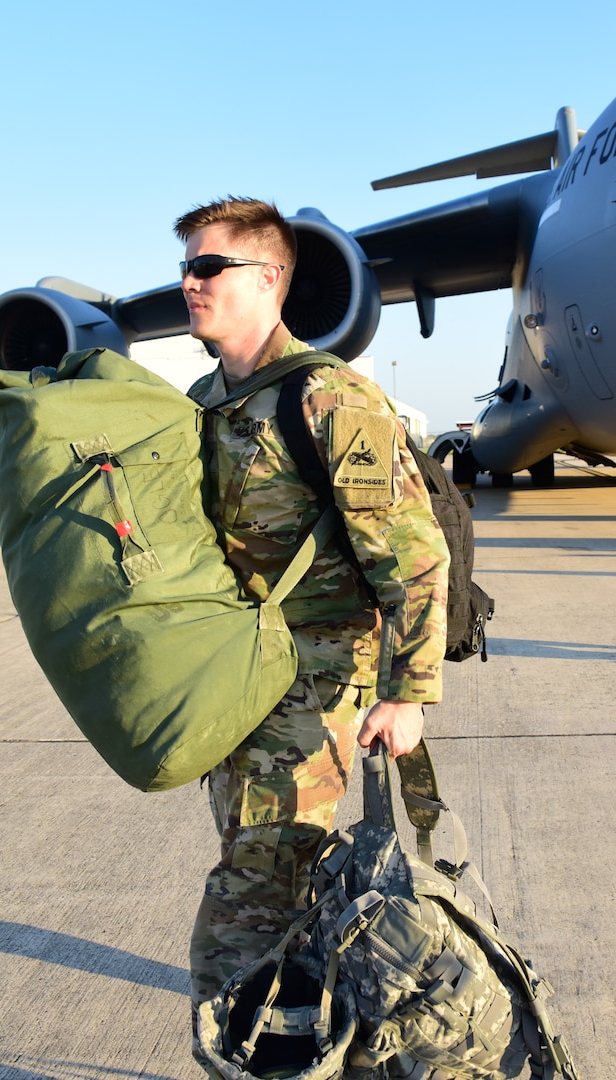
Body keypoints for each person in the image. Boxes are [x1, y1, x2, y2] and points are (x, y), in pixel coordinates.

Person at [173, 196, 450, 1037]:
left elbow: (413, 557)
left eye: (207, 267)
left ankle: (240, 1043)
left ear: (267, 278)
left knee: (248, 896)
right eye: (184, 267)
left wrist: (408, 695)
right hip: (240, 686)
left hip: (317, 687)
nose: (188, 283)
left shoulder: (330, 400)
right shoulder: (206, 399)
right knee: (269, 875)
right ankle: (302, 1028)